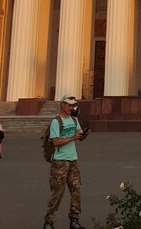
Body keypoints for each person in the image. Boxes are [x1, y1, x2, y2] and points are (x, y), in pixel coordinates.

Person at [44, 95, 89, 229]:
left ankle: (74, 220)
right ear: (63, 105)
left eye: (73, 105)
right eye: (69, 105)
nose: (71, 107)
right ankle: (49, 221)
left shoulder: (74, 120)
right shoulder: (56, 122)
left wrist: (85, 134)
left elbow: (79, 137)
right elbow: (55, 141)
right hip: (59, 161)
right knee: (57, 192)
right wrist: (73, 137)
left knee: (76, 191)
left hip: (73, 160)